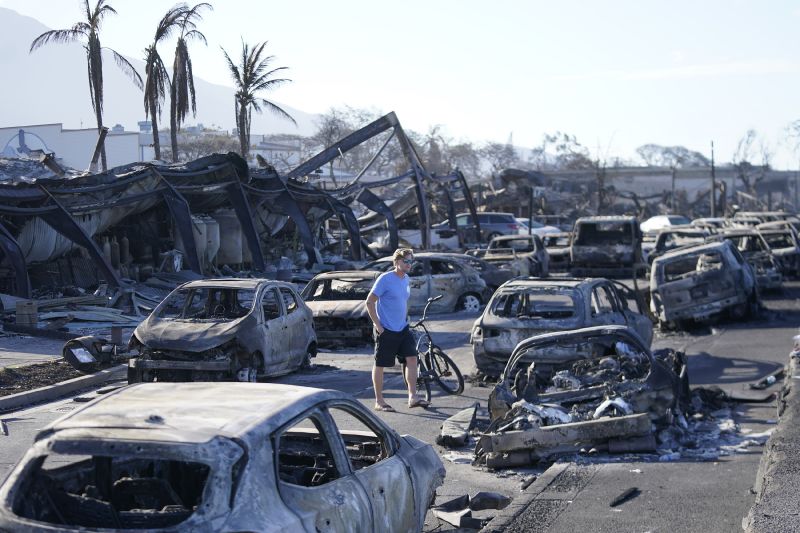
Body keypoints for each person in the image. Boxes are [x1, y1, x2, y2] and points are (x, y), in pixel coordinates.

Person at [366, 248, 429, 411]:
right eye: (405, 261)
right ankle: (379, 401)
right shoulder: (385, 279)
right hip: (386, 329)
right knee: (380, 364)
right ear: (396, 262)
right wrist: (378, 325)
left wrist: (405, 318)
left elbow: (401, 301)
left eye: (410, 261)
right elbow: (369, 302)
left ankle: (412, 397)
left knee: (412, 358)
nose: (409, 264)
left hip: (402, 328)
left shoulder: (406, 279)